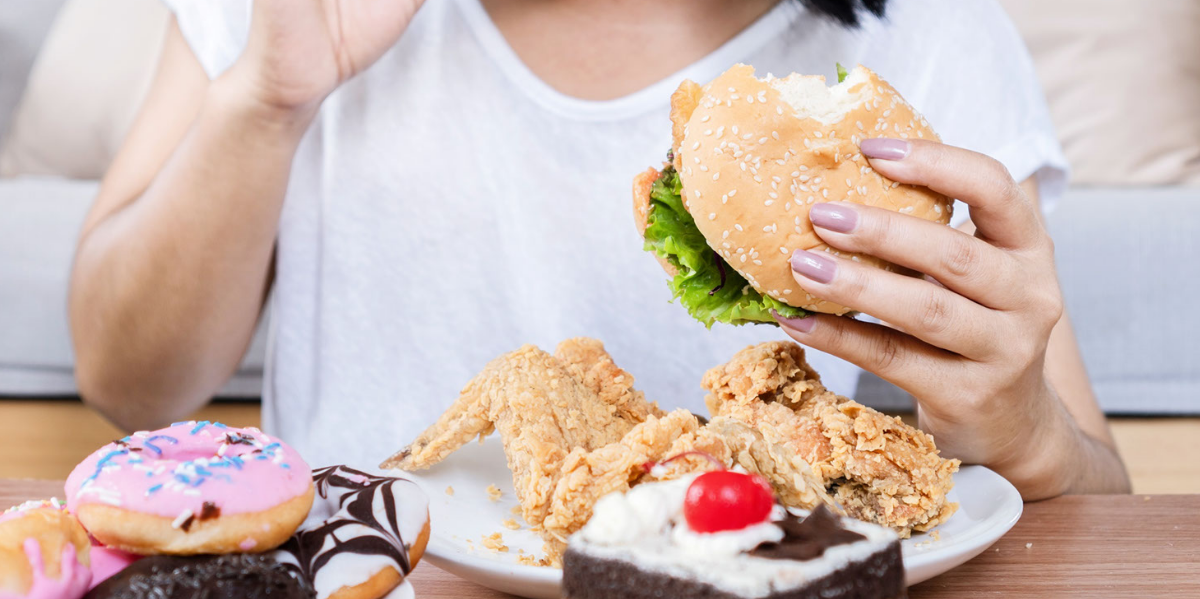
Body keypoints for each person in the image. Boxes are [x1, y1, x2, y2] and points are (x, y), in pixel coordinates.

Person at [68, 0, 1130, 498]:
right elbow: (126, 380)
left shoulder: (928, 39)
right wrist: (267, 100)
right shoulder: (284, 12)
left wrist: (1022, 426)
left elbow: (1095, 497)